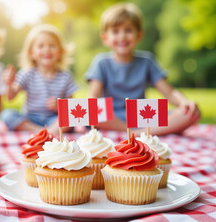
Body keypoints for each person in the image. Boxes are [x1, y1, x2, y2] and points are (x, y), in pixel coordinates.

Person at [86, 3, 200, 135]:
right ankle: (140, 132)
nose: (122, 36)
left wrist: (184, 102)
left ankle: (139, 132)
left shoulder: (147, 61)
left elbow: (170, 93)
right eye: (116, 31)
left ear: (139, 35)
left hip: (142, 115)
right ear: (105, 38)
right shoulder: (101, 62)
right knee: (93, 112)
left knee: (191, 112)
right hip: (113, 118)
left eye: (128, 30)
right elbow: (92, 99)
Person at [0, 24, 77, 133]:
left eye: (52, 45)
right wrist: (9, 84)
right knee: (7, 114)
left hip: (53, 119)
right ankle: (43, 132)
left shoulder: (65, 77)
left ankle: (47, 132)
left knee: (70, 118)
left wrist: (59, 106)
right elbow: (10, 97)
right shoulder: (27, 74)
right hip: (30, 119)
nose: (47, 49)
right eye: (41, 46)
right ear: (32, 53)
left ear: (60, 52)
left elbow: (71, 107)